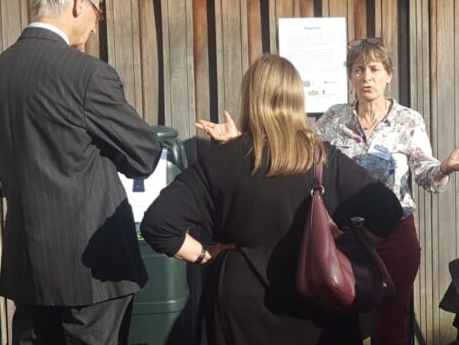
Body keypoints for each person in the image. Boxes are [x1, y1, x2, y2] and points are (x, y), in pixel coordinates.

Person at [196, 38, 459, 345]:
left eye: (374, 69)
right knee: (341, 315)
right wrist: (241, 142)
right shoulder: (334, 118)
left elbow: (426, 174)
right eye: (359, 69)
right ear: (351, 76)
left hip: (394, 234)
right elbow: (298, 153)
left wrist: (445, 168)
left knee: (392, 320)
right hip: (342, 236)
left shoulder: (408, 121)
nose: (367, 77)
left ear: (388, 74)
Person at [141, 54, 404, 344]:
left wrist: (203, 255)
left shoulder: (219, 162)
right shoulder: (326, 160)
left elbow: (157, 224)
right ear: (296, 99)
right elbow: (388, 209)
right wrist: (346, 245)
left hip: (238, 313)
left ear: (249, 98)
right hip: (319, 303)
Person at [0, 0, 161, 344]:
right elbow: (144, 155)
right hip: (91, 272)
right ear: (79, 3)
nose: (96, 25)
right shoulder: (86, 74)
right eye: (98, 12)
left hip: (29, 266)